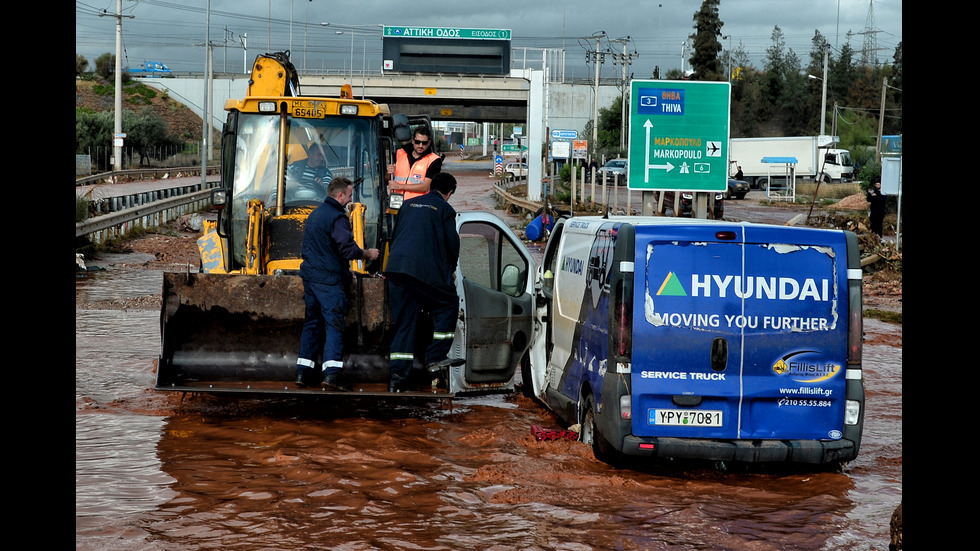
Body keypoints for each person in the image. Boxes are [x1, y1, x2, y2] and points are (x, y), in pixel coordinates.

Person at [295, 177, 380, 389]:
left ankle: (302, 373)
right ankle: (332, 374)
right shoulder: (337, 218)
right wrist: (367, 254)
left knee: (312, 323)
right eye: (350, 195)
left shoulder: (314, 214)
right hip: (328, 281)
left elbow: (321, 249)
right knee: (334, 324)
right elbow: (347, 249)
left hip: (310, 277)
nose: (351, 199)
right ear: (340, 195)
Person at [384, 172, 460, 392]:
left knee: (405, 321)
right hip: (424, 272)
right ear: (449, 193)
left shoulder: (407, 205)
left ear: (431, 186)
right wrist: (450, 271)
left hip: (396, 269)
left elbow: (395, 235)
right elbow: (452, 245)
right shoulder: (445, 209)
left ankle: (396, 380)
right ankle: (435, 357)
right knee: (448, 305)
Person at [387, 126, 443, 203]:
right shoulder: (399, 153)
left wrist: (400, 186)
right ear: (413, 140)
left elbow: (425, 187)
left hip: (417, 206)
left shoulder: (434, 160)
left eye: (424, 143)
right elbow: (387, 179)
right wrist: (388, 173)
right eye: (417, 142)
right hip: (396, 203)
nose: (420, 145)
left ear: (429, 142)